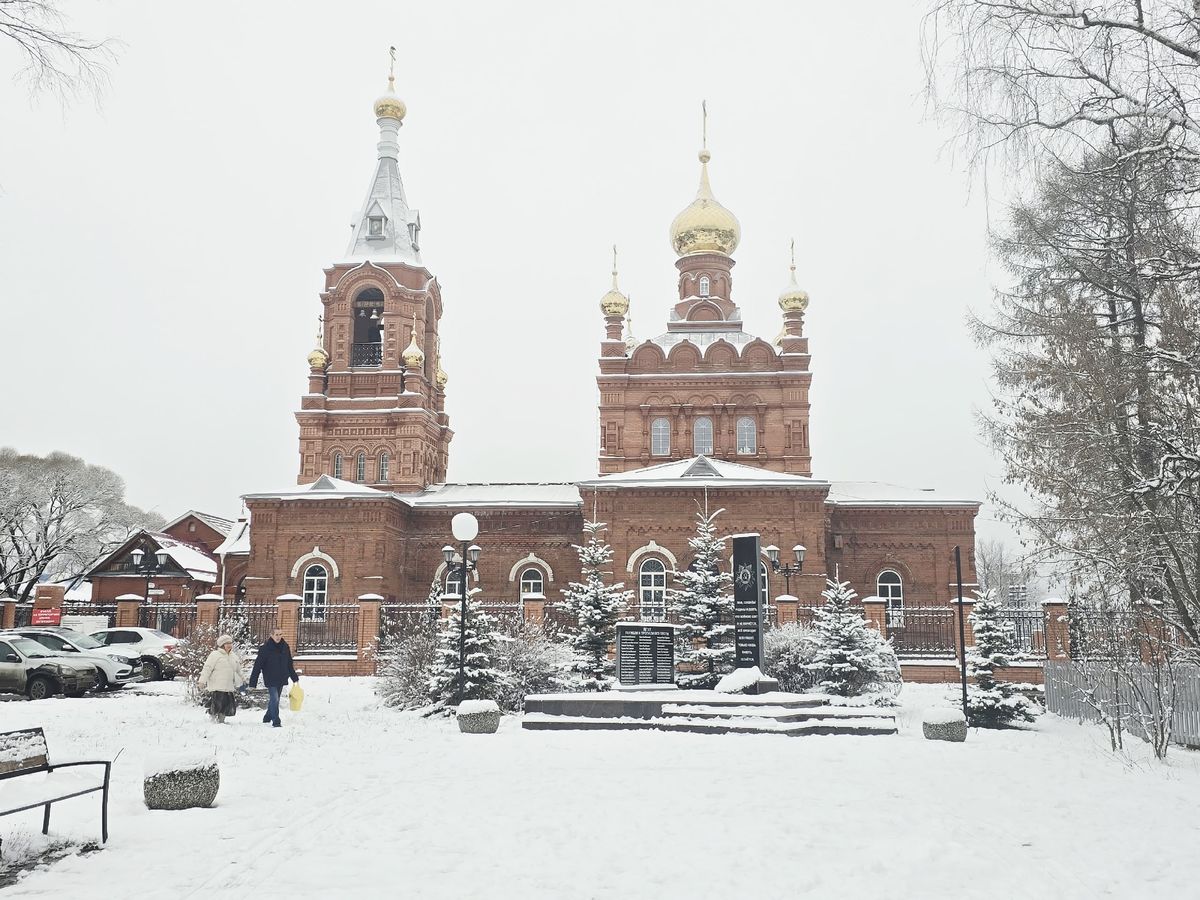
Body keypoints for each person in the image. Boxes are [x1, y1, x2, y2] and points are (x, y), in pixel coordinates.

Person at [249, 627, 299, 727]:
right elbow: (258, 666)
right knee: (275, 698)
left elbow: (289, 663)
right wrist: (252, 682)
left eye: (280, 634)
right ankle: (276, 721)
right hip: (270, 677)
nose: (278, 637)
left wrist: (294, 678)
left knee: (275, 699)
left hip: (281, 677)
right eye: (276, 634)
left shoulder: (285, 647)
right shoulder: (265, 648)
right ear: (271, 635)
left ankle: (267, 717)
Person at [198, 634, 245, 724]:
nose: (229, 645)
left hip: (228, 685)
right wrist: (202, 681)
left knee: (226, 704)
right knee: (217, 703)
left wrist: (243, 679)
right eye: (227, 643)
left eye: (230, 643)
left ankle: (221, 720)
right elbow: (207, 668)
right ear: (222, 645)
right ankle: (213, 718)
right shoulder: (215, 655)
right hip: (217, 685)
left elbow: (238, 670)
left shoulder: (233, 656)